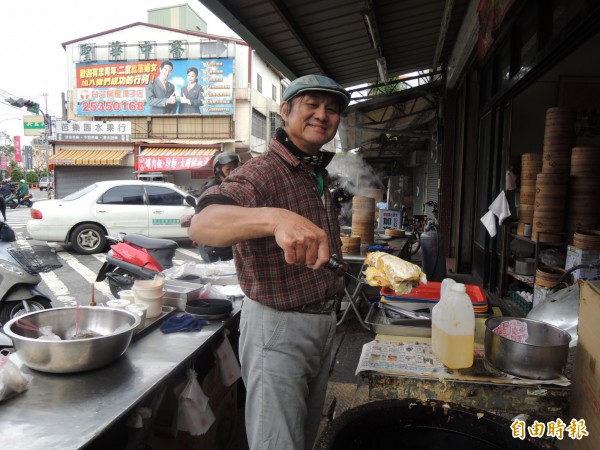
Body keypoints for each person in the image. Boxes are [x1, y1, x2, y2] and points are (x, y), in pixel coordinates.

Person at [189, 74, 351, 450]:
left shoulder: (315, 171)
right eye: (312, 105)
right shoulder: (261, 172)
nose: (322, 115)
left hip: (322, 323)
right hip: (279, 329)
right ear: (285, 111)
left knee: (303, 436)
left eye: (332, 109)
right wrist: (275, 218)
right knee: (277, 442)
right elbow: (204, 224)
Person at [196, 152, 241, 262]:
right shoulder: (212, 188)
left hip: (229, 242)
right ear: (218, 169)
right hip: (214, 245)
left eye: (235, 168)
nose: (232, 172)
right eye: (228, 168)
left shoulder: (235, 185)